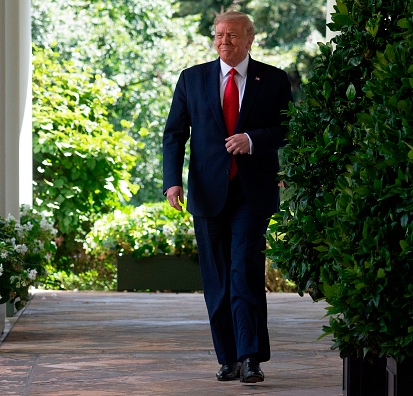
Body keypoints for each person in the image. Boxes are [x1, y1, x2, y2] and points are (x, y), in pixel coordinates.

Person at [162, 10, 293, 383]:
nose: (224, 41)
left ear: (250, 39)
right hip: (207, 193)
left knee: (244, 271)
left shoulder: (273, 79)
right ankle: (228, 358)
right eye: (219, 35)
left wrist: (252, 140)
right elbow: (174, 134)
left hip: (252, 193)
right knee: (217, 278)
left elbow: (286, 130)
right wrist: (172, 182)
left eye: (232, 36)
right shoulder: (192, 79)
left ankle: (251, 357)